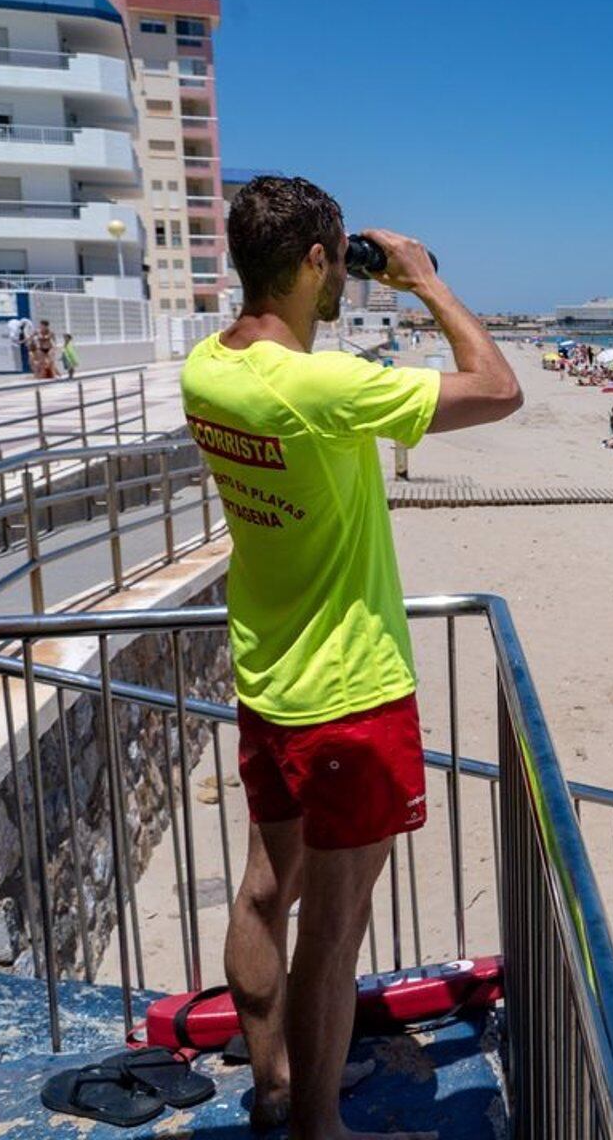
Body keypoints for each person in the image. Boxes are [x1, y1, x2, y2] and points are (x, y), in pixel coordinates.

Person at [183, 176, 521, 1140]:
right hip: (348, 694)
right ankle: (318, 1129)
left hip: (268, 673)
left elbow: (290, 355)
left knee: (263, 891)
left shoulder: (209, 366)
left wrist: (335, 286)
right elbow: (499, 388)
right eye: (340, 262)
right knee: (333, 934)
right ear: (317, 263)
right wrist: (422, 282)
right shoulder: (322, 389)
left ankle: (276, 1084)